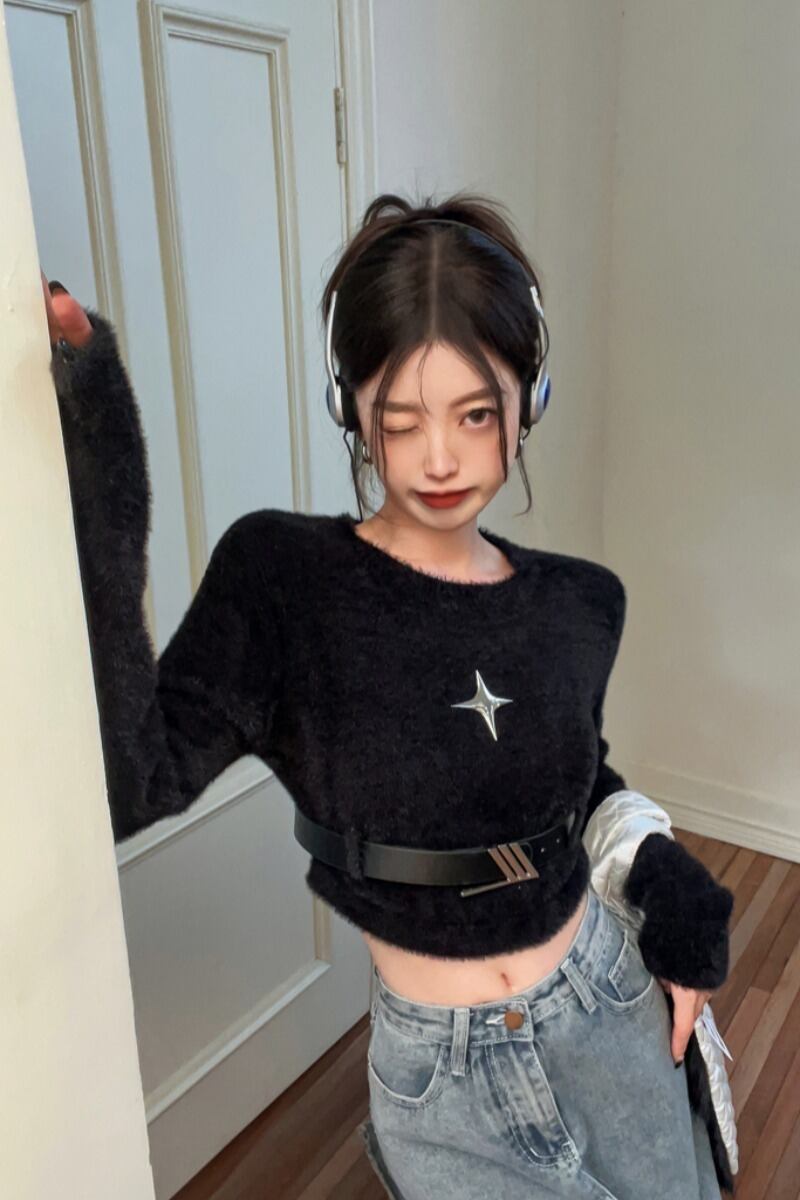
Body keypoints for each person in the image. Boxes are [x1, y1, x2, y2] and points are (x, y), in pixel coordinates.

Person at [41, 190, 735, 1199]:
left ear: (530, 401)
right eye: (400, 421)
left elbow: (567, 784)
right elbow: (131, 782)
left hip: (607, 1008)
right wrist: (95, 451)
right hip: (440, 1087)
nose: (439, 458)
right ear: (351, 411)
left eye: (475, 414)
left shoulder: (576, 603)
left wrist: (670, 892)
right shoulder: (284, 583)